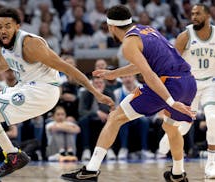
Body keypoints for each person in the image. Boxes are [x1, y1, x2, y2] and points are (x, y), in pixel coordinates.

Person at [0, 8, 114, 182]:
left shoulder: (31, 45)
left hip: (44, 90)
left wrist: (95, 93)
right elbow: (4, 62)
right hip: (24, 87)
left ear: (17, 26)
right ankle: (14, 156)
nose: (3, 30)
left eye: (8, 26)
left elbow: (67, 68)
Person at [61, 5, 196, 182]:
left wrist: (170, 102)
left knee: (115, 117)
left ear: (111, 27)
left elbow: (148, 74)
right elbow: (142, 65)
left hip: (166, 84)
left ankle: (91, 170)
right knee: (170, 128)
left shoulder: (128, 44)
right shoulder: (147, 30)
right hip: (188, 82)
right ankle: (178, 174)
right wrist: (113, 73)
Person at [157, 4, 215, 178]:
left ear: (208, 16)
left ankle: (211, 163)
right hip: (189, 85)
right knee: (183, 127)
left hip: (211, 84)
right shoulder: (185, 36)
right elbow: (171, 65)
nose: (194, 16)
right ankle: (170, 135)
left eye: (198, 14)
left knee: (213, 118)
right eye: (192, 14)